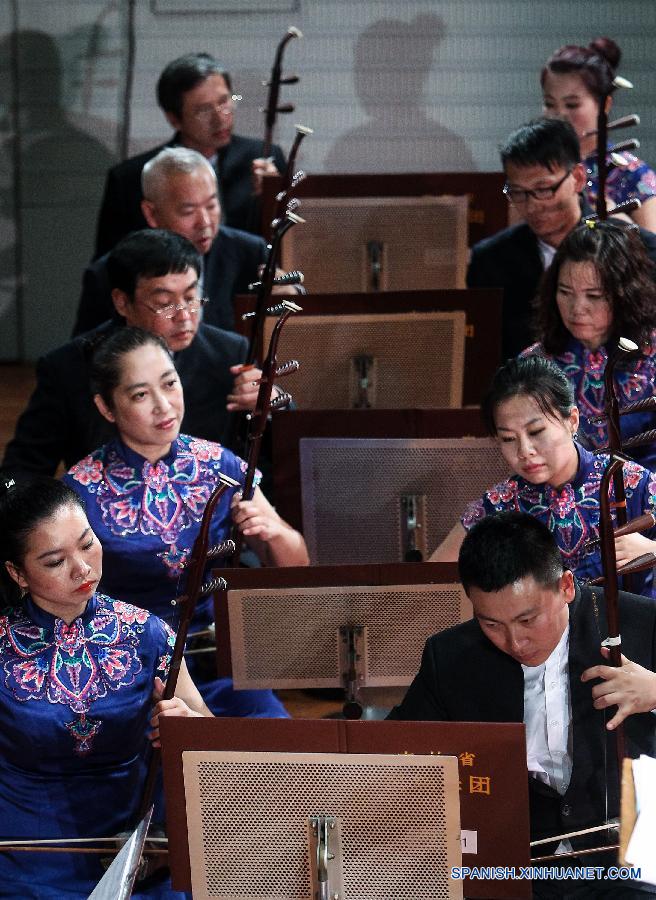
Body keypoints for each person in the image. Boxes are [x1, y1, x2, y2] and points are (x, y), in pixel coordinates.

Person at [392, 512, 656, 897]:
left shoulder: (639, 624)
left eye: (528, 620)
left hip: (630, 860)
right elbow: (394, 748)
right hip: (517, 864)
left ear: (565, 586)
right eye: (491, 624)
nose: (515, 642)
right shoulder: (450, 657)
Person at [63, 326, 309, 716]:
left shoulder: (220, 465)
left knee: (276, 750)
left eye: (170, 384)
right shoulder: (80, 490)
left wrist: (273, 534)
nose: (164, 406)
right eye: (141, 395)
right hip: (130, 671)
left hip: (221, 663)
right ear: (107, 407)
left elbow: (297, 566)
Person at [0, 476, 210, 898]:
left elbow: (208, 731)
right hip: (29, 851)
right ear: (17, 574)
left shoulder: (147, 633)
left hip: (135, 844)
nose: (82, 568)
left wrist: (186, 725)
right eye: (55, 561)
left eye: (87, 543)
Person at [1, 231, 264, 479]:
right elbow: (21, 470)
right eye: (164, 304)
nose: (184, 316)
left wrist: (271, 404)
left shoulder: (231, 353)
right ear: (122, 302)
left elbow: (269, 456)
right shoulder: (69, 368)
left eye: (191, 297)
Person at [430, 355, 656, 596]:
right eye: (508, 439)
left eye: (536, 431)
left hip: (629, 631)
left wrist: (652, 549)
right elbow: (429, 582)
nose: (524, 451)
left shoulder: (627, 481)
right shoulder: (501, 504)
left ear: (572, 421)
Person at [466, 117, 656, 358]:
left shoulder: (642, 250)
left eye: (544, 189)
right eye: (518, 193)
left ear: (577, 177)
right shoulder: (490, 262)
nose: (532, 206)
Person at [94, 52, 285, 255]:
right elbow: (109, 264)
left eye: (224, 102)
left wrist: (273, 196)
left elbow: (290, 243)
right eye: (204, 110)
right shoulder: (130, 179)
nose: (220, 119)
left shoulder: (263, 158)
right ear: (174, 119)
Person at [74, 148, 267, 335]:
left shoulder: (250, 254)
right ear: (151, 213)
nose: (205, 222)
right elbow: (84, 355)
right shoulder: (107, 275)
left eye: (211, 205)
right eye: (188, 212)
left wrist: (288, 295)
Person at [523, 220, 656, 471]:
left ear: (625, 294)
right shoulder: (535, 366)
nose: (577, 308)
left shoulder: (652, 355)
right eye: (565, 292)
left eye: (593, 296)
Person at [541, 38, 656, 230]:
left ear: (605, 105)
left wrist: (615, 218)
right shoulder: (536, 166)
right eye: (550, 104)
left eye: (572, 105)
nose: (559, 115)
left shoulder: (632, 173)